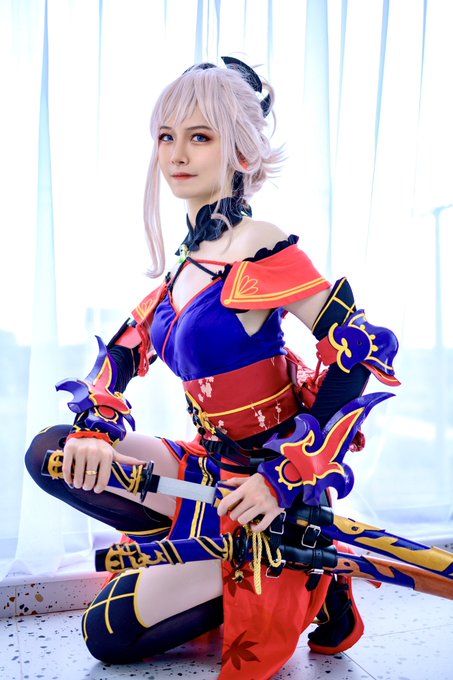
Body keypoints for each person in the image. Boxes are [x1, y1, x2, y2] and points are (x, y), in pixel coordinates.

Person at [25, 58, 399, 679]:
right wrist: (96, 428)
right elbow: (124, 350)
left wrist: (284, 478)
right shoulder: (187, 260)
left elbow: (359, 348)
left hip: (266, 498)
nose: (177, 154)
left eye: (199, 136)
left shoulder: (260, 244)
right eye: (166, 137)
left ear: (240, 152)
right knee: (53, 453)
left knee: (105, 630)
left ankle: (309, 577)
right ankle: (209, 559)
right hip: (206, 472)